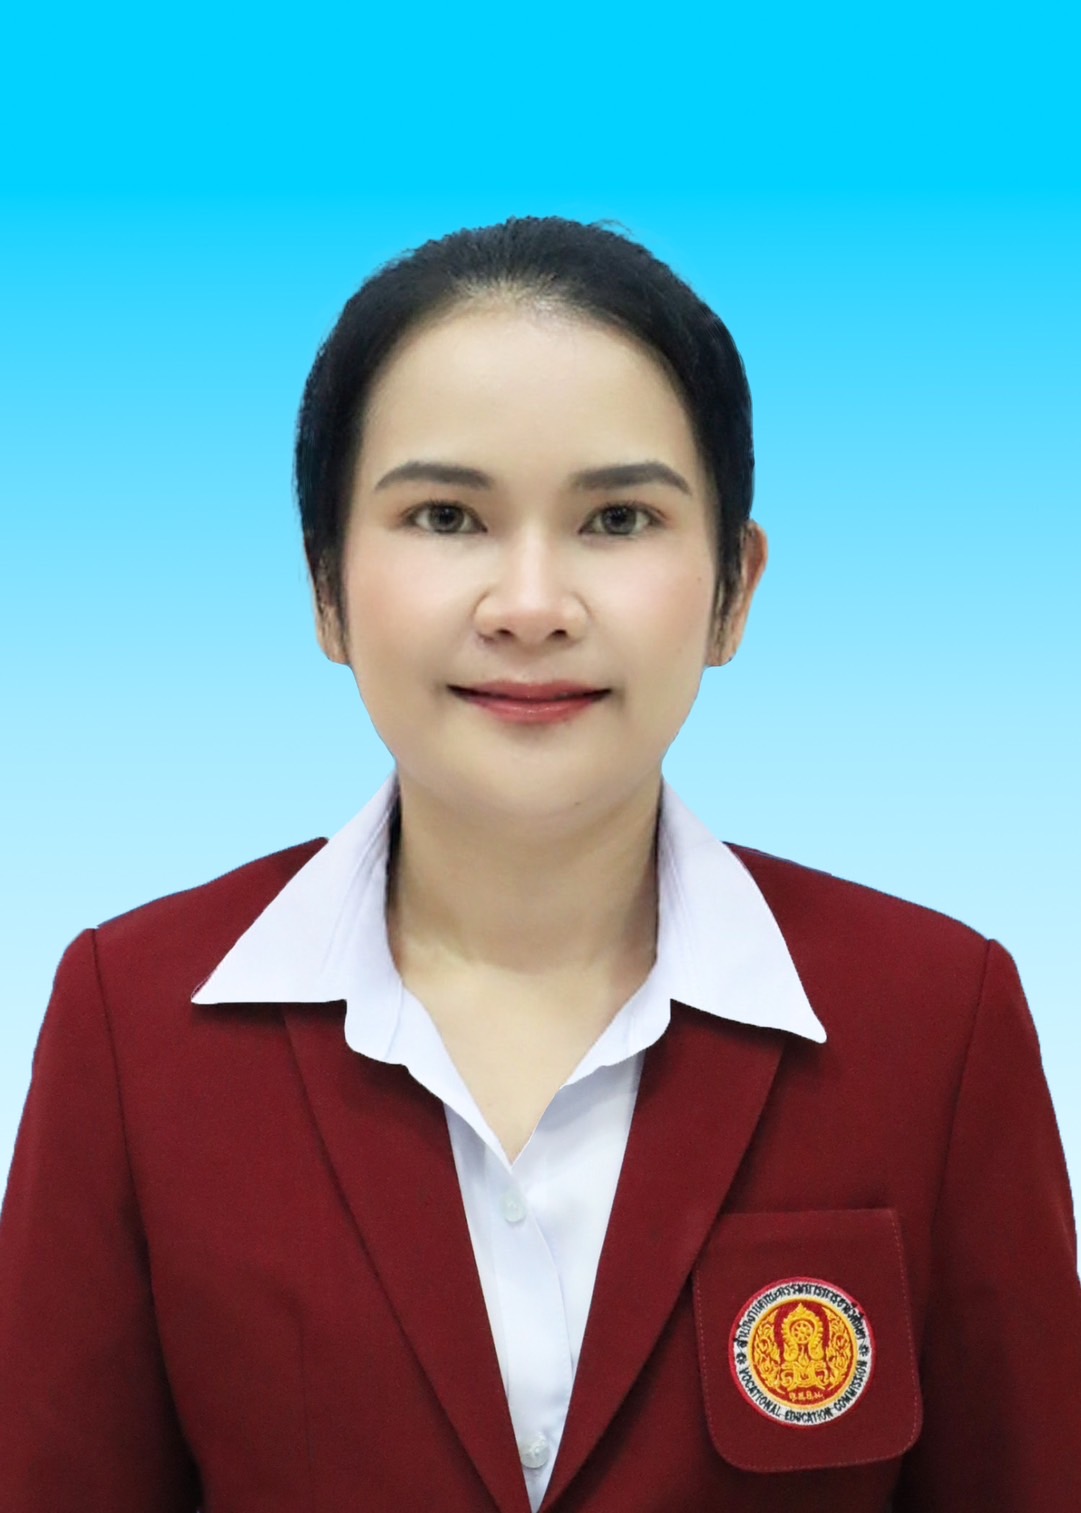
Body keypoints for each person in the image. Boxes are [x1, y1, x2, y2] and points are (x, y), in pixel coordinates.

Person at [1, 216, 1078, 1513]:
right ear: (326, 587)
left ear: (733, 589)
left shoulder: (936, 1021)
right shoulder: (135, 1022)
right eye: (446, 516)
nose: (529, 605)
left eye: (617, 518)